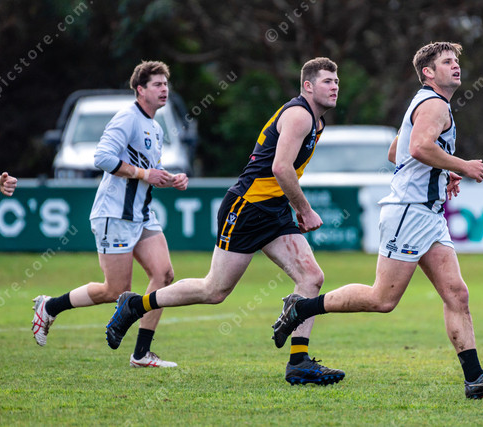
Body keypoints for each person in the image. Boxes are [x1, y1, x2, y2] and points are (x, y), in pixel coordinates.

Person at [271, 42, 483, 399]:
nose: (456, 66)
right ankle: (301, 308)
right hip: (409, 211)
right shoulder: (434, 104)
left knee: (456, 293)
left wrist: (441, 172)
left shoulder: (429, 102)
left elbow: (396, 152)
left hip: (429, 214)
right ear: (428, 72)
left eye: (456, 61)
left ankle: (475, 379)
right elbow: (417, 148)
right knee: (382, 299)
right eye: (447, 62)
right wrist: (462, 165)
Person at [105, 57, 345, 385]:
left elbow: (283, 172)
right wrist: (304, 209)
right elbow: (281, 168)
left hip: (273, 209)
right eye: (327, 81)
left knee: (311, 277)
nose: (335, 87)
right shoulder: (299, 115)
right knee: (214, 290)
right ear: (308, 86)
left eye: (336, 81)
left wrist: (292, 207)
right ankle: (135, 305)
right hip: (247, 208)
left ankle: (299, 362)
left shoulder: (317, 122)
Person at [32, 60, 188, 368]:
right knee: (115, 290)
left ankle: (141, 354)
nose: (164, 90)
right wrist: (144, 174)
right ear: (140, 89)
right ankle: (49, 307)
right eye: (157, 84)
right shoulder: (127, 118)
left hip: (142, 215)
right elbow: (102, 157)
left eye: (166, 84)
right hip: (114, 214)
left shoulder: (156, 128)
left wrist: (170, 178)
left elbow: (148, 170)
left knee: (164, 275)